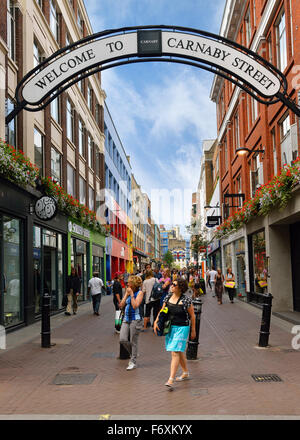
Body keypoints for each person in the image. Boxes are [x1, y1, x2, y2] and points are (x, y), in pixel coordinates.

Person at [154, 278, 196, 389]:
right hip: (171, 327)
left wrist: (193, 330)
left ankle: (171, 379)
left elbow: (192, 316)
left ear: (180, 288)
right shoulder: (168, 297)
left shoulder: (186, 300)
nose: (171, 285)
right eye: (172, 284)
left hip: (182, 327)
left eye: (174, 284)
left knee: (175, 352)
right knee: (179, 351)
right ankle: (185, 372)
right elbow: (162, 311)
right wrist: (156, 321)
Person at [119, 275, 144, 370]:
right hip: (126, 319)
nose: (127, 284)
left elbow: (135, 305)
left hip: (136, 319)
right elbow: (121, 305)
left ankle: (133, 361)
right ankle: (134, 353)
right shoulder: (128, 291)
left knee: (134, 341)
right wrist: (126, 295)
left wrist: (132, 295)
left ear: (133, 284)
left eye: (129, 282)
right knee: (122, 339)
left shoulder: (140, 293)